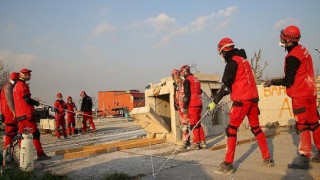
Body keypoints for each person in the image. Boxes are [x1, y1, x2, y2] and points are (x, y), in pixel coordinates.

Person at [209, 38, 274, 174]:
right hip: (253, 99)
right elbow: (239, 80)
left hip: (241, 101)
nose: (221, 56)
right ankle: (267, 158)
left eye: (220, 52)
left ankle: (227, 164)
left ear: (224, 50)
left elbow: (225, 84)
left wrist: (215, 100)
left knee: (231, 130)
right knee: (256, 128)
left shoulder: (232, 62)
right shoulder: (243, 60)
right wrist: (229, 91)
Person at [264, 25, 320, 169]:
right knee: (314, 123)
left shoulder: (292, 56)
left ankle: (304, 157)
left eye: (283, 37)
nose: (281, 39)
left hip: (300, 94)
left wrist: (272, 82)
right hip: (311, 92)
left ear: (289, 40)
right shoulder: (303, 50)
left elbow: (288, 80)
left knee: (302, 125)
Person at [13, 68, 51, 161]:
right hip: (27, 114)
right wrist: (37, 103)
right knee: (35, 133)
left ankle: (22, 157)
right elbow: (27, 99)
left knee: (22, 135)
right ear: (23, 75)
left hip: (19, 115)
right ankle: (40, 154)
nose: (29, 76)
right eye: (28, 75)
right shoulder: (23, 85)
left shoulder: (16, 86)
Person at [179, 65, 206, 150]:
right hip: (199, 103)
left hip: (193, 104)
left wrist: (185, 107)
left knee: (194, 124)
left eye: (182, 72)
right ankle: (202, 142)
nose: (182, 74)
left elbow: (187, 95)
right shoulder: (196, 79)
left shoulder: (187, 81)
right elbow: (200, 91)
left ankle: (195, 143)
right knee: (198, 123)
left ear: (185, 71)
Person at [171, 69, 190, 149]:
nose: (176, 78)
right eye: (174, 77)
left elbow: (186, 95)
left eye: (177, 76)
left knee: (184, 125)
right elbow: (175, 95)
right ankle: (187, 140)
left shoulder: (184, 83)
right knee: (183, 124)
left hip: (184, 107)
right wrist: (175, 104)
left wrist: (185, 106)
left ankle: (185, 141)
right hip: (180, 107)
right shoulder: (175, 85)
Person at [1, 72, 19, 152]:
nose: (15, 81)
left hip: (7, 112)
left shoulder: (8, 86)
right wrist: (14, 111)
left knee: (12, 132)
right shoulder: (9, 87)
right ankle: (7, 153)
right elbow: (10, 101)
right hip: (9, 113)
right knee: (10, 131)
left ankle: (9, 151)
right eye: (14, 80)